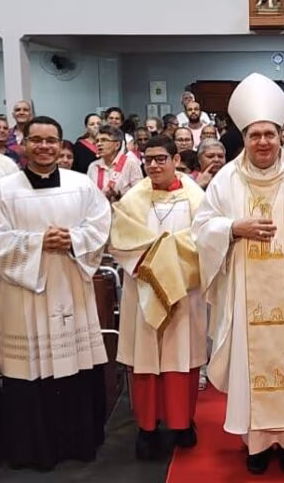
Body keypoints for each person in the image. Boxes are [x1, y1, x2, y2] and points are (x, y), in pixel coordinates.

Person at [191, 73, 284, 475]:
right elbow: (201, 229)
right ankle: (256, 444)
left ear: (280, 136)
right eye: (255, 134)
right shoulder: (227, 179)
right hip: (245, 294)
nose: (263, 142)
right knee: (250, 363)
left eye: (270, 134)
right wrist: (233, 229)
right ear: (245, 136)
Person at [0, 115, 111, 471]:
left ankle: (78, 442)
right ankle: (33, 447)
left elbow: (100, 225)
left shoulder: (81, 185)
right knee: (31, 371)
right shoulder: (3, 190)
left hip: (69, 283)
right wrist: (38, 242)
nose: (44, 147)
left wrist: (72, 239)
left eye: (51, 140)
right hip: (26, 293)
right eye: (36, 140)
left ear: (61, 145)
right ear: (23, 144)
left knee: (73, 369)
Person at [111, 136, 207, 460]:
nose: (153, 165)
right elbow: (122, 241)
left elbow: (205, 239)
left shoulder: (196, 196)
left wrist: (165, 256)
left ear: (176, 159)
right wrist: (162, 256)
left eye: (161, 158)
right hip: (144, 290)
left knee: (181, 360)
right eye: (148, 160)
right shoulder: (133, 199)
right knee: (146, 362)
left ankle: (182, 424)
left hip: (182, 292)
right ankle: (147, 428)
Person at [87, 125, 143, 203]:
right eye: (97, 141)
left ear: (117, 145)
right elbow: (89, 195)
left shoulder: (131, 163)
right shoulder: (93, 166)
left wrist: (118, 196)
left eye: (104, 140)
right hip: (100, 213)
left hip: (124, 212)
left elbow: (140, 194)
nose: (99, 144)